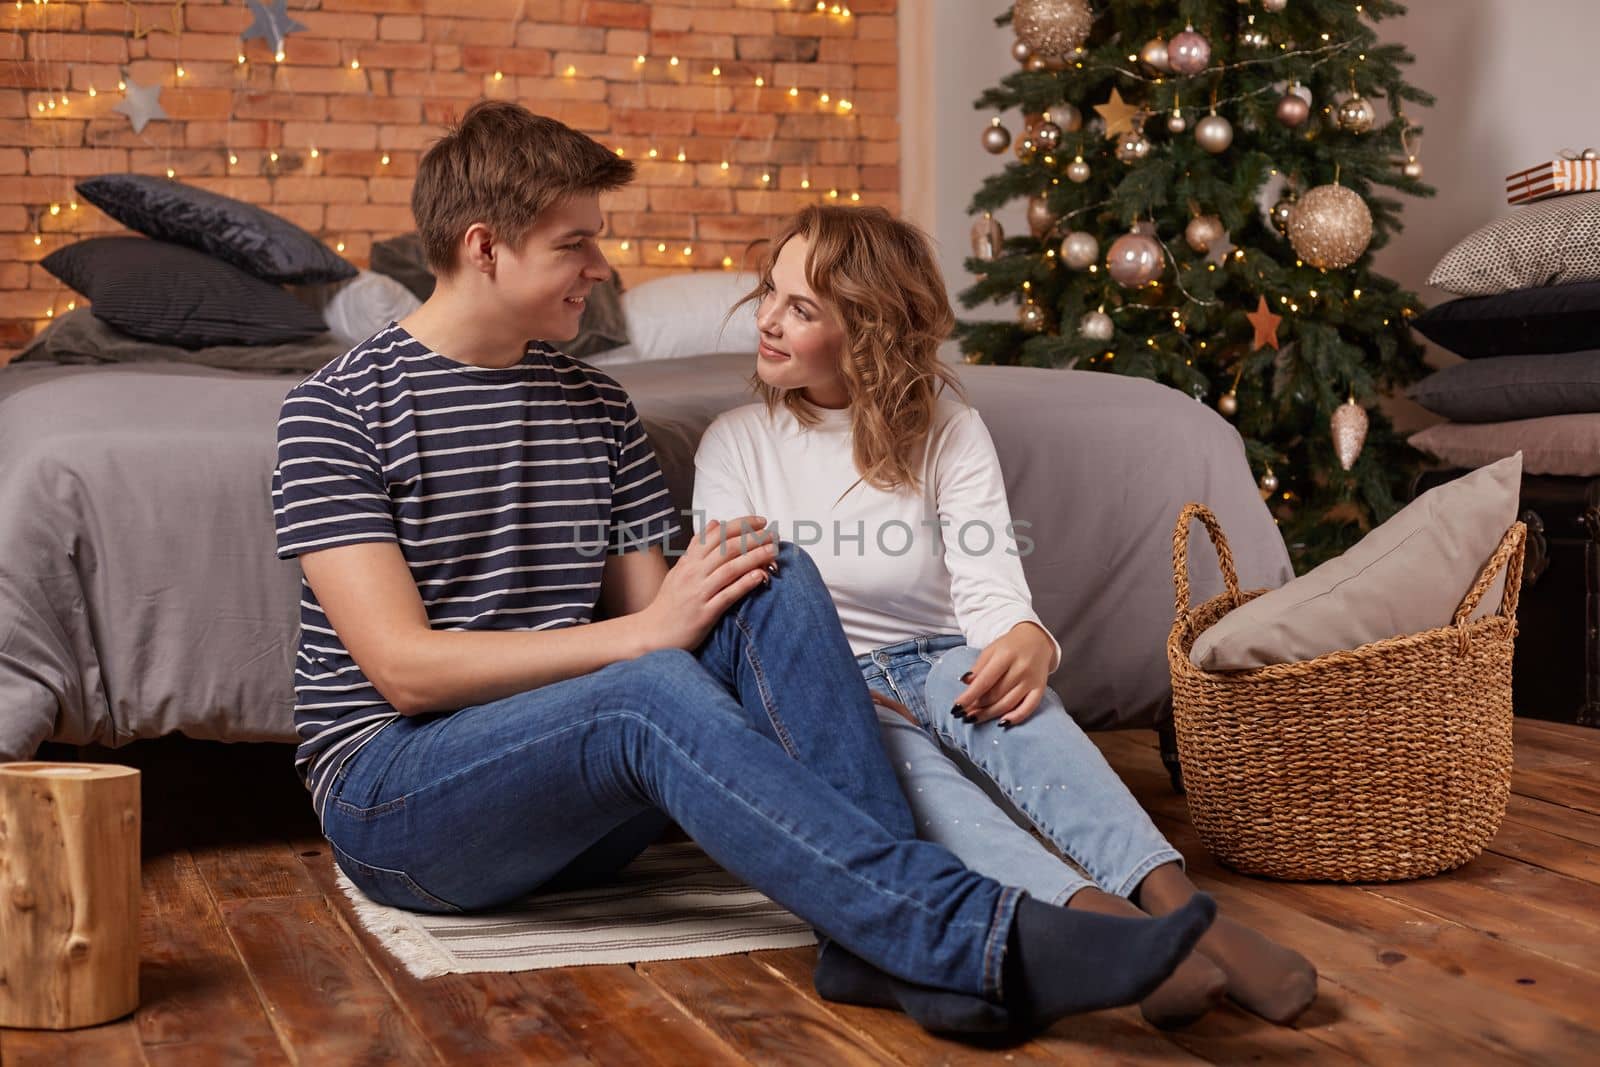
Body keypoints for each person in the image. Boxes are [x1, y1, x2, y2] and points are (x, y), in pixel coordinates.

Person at [270, 102, 1217, 1038]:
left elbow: (677, 627)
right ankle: (956, 931)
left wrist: (679, 632)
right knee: (640, 689)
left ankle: (879, 944)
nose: (601, 270)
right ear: (484, 248)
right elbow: (405, 669)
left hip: (583, 803)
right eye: (575, 246)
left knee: (767, 571)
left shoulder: (598, 408)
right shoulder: (336, 411)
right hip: (402, 800)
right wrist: (646, 637)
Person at [692, 204, 1319, 1028]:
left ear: (869, 329)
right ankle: (1107, 929)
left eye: (801, 308)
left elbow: (988, 585)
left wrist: (1025, 641)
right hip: (832, 688)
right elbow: (740, 610)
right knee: (924, 783)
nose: (767, 320)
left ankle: (1182, 905)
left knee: (1024, 711)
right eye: (770, 293)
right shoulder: (735, 441)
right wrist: (836, 696)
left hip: (940, 657)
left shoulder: (948, 429)